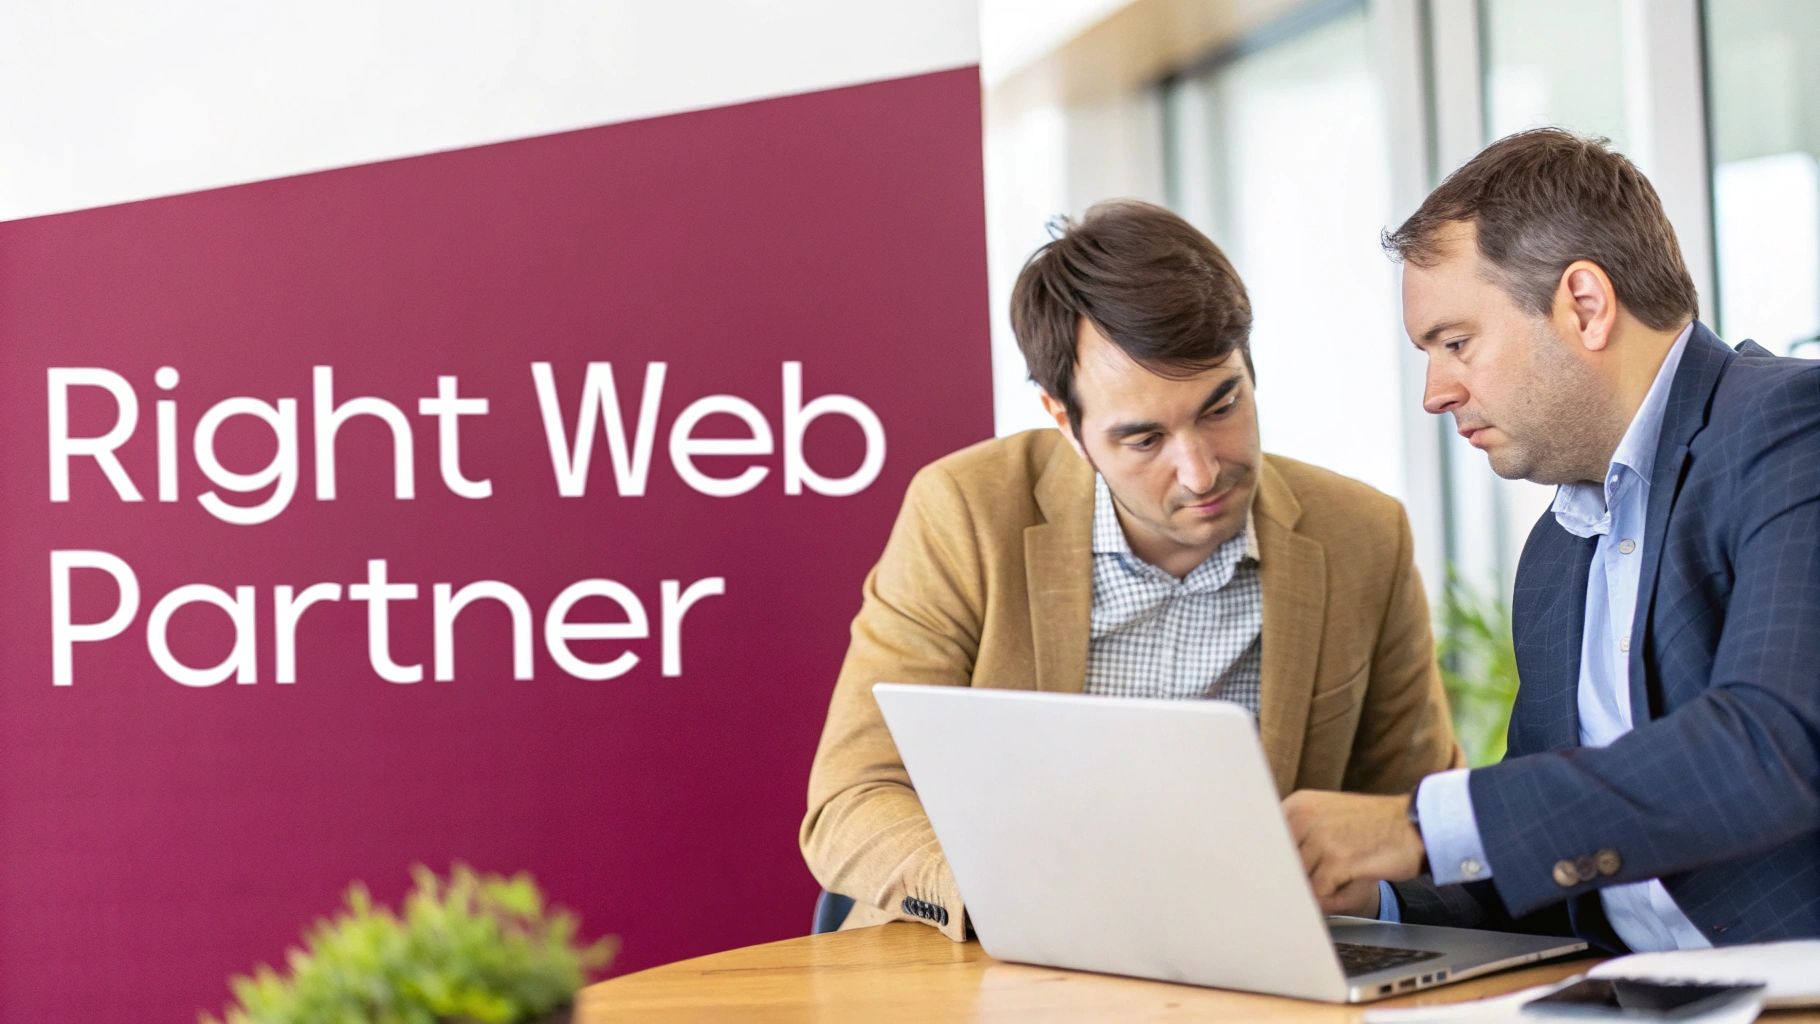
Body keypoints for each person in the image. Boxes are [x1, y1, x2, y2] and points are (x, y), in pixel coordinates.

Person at [802, 200, 1460, 939]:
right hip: (987, 960)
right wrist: (1003, 898)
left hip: (1244, 964)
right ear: (1065, 423)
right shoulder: (967, 512)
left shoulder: (1362, 536)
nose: (1201, 470)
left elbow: (1417, 820)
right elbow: (852, 799)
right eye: (1144, 440)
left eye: (1221, 406)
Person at [1285, 128, 1820, 952]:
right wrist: (1376, 898)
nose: (1435, 393)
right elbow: (1543, 864)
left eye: (1456, 343)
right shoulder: (1556, 555)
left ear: (1585, 306)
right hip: (1625, 993)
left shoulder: (1792, 427)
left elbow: (1773, 741)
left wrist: (1419, 824)